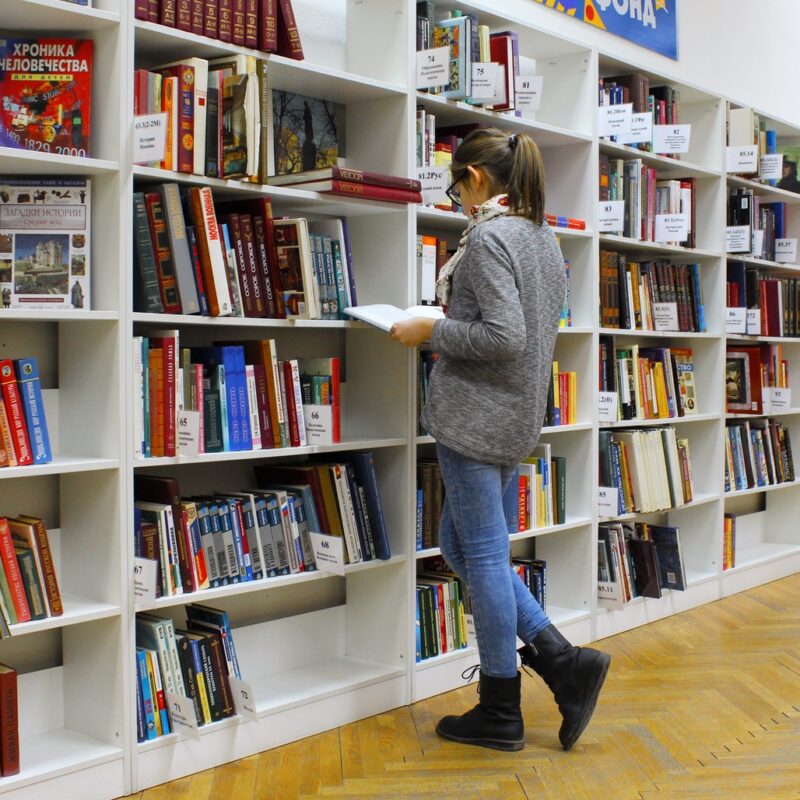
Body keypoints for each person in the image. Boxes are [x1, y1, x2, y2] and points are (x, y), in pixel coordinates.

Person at [390, 128, 610, 752]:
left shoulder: (488, 239)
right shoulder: (542, 237)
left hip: (475, 417)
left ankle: (501, 707)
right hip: (514, 416)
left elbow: (504, 337)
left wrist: (430, 329)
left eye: (456, 185)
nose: (456, 198)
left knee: (481, 555)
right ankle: (560, 657)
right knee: (458, 543)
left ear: (478, 180)